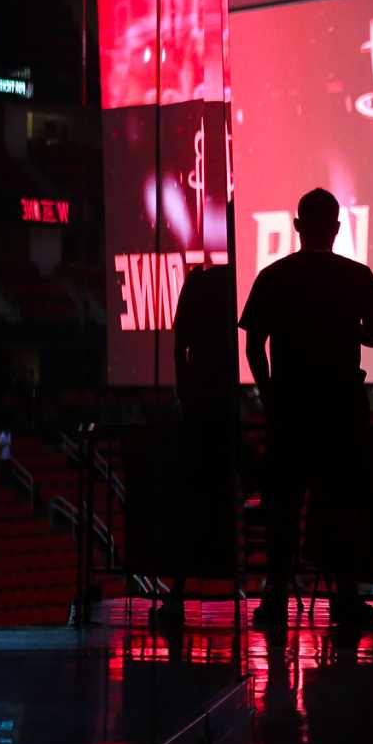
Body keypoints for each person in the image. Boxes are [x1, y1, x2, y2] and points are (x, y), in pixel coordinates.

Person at [239, 188, 373, 631]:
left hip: (289, 405)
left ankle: (275, 597)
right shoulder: (357, 275)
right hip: (342, 404)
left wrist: (268, 395)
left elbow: (253, 345)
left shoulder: (273, 276)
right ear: (337, 228)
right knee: (343, 503)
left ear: (299, 226)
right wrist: (346, 328)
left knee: (283, 505)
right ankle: (344, 597)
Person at [156, 259, 238, 637]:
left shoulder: (201, 283)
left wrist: (186, 396)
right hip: (220, 408)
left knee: (195, 504)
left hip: (201, 408)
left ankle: (178, 593)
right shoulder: (233, 282)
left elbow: (178, 345)